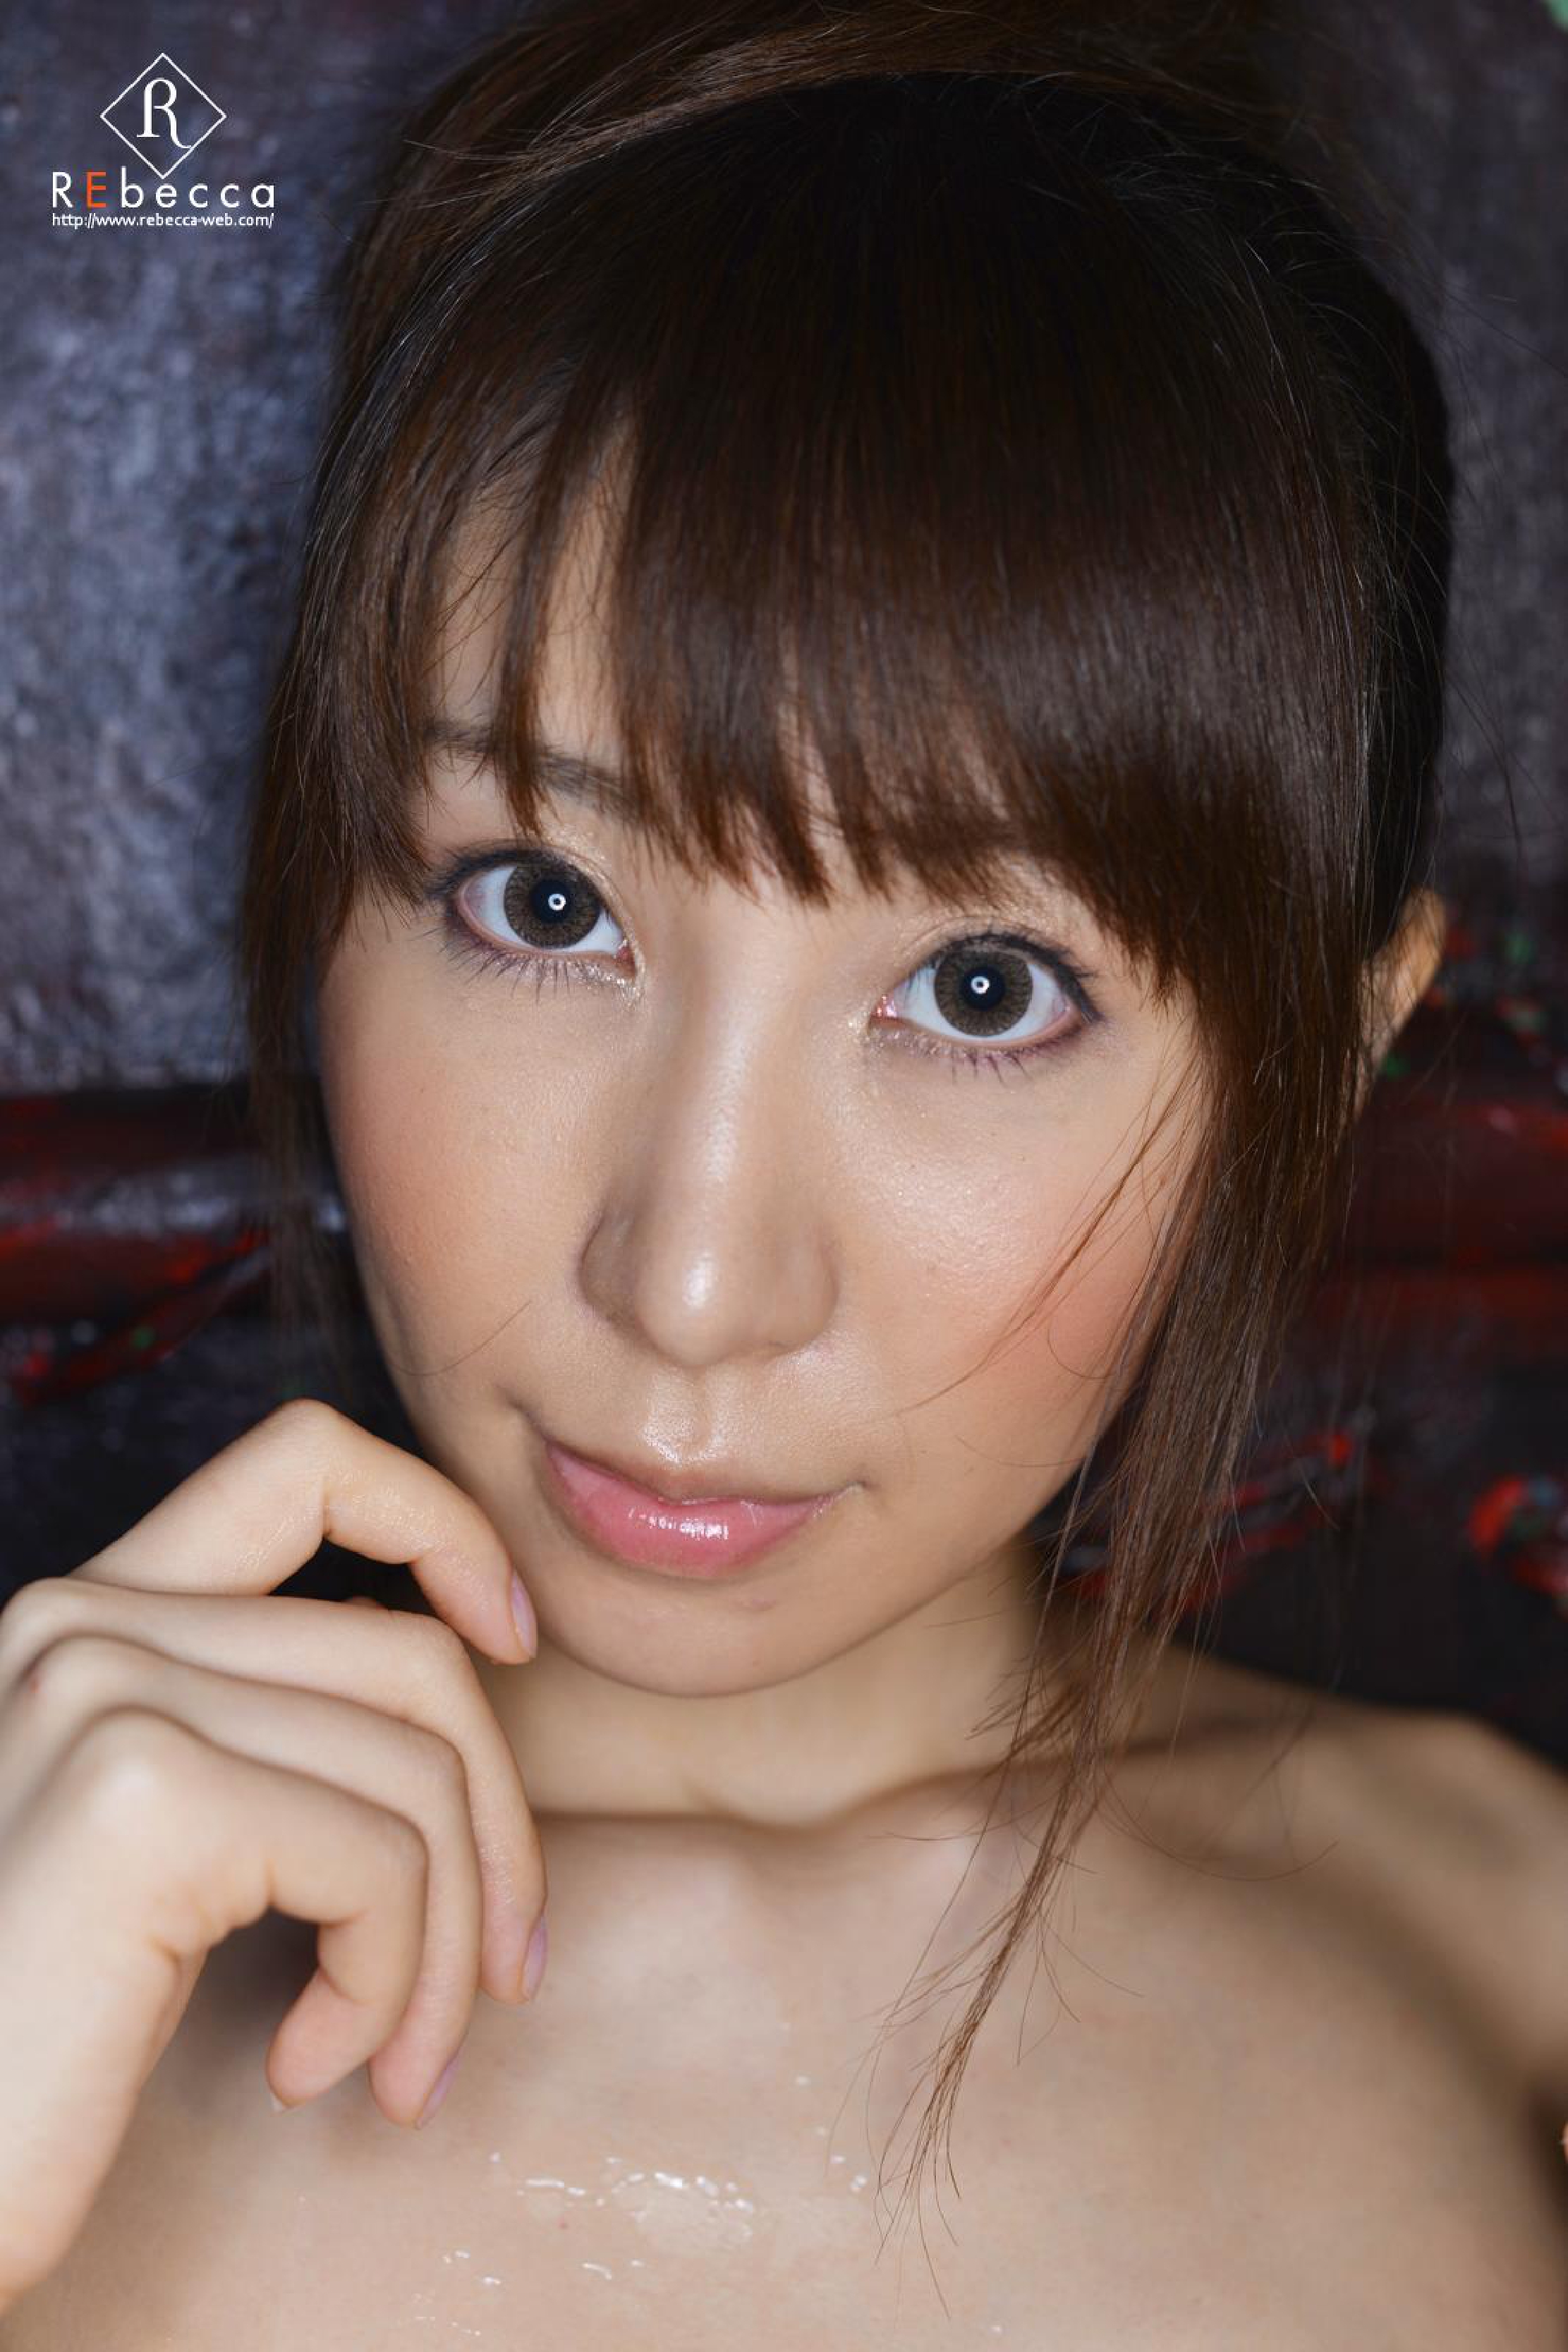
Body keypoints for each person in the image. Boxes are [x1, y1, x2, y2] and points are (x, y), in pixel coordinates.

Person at [2, 1, 1564, 2339]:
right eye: (546, 904)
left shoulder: (1509, 1951)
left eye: (983, 992)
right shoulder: (39, 1953)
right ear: (320, 883)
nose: (697, 1280)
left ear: (1318, 1069)